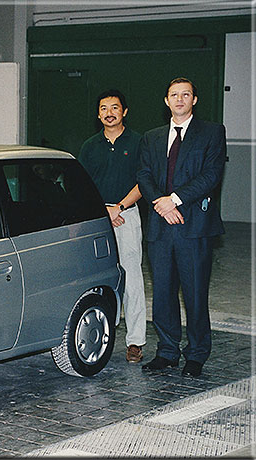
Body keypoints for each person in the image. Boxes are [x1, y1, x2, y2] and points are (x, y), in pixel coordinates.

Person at [137, 77, 226, 377]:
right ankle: (167, 351)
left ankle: (197, 354)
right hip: (161, 227)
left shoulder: (212, 132)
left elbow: (211, 174)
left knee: (195, 293)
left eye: (185, 94)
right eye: (174, 94)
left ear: (194, 100)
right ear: (166, 100)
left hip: (194, 226)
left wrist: (173, 200)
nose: (179, 99)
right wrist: (160, 204)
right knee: (162, 293)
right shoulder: (151, 137)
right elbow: (144, 175)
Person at [77, 89, 146, 363]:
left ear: (124, 111)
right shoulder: (90, 145)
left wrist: (119, 208)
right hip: (96, 216)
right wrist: (103, 210)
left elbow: (145, 182)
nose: (109, 113)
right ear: (98, 114)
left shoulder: (139, 142)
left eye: (115, 108)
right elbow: (81, 184)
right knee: (93, 279)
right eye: (104, 108)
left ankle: (136, 341)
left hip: (126, 215)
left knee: (132, 278)